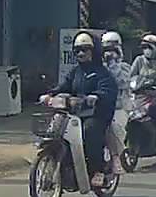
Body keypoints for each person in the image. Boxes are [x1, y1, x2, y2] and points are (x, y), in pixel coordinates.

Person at [47, 31, 118, 186]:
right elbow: (64, 86)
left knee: (89, 131)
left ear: (93, 51)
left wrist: (96, 96)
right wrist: (50, 94)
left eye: (84, 50)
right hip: (75, 113)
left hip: (96, 114)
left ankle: (98, 170)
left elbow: (108, 90)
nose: (80, 53)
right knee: (57, 129)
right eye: (77, 50)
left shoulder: (102, 72)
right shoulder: (75, 72)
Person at [129, 33, 156, 147]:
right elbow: (132, 75)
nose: (146, 50)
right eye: (144, 47)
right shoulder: (139, 60)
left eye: (149, 47)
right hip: (140, 93)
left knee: (154, 109)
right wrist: (131, 83)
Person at [101, 31, 131, 174]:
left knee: (114, 128)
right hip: (98, 106)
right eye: (106, 48)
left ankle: (116, 157)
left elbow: (122, 82)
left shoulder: (124, 67)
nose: (109, 53)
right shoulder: (97, 66)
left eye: (113, 48)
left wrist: (113, 63)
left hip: (118, 108)